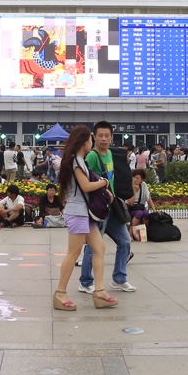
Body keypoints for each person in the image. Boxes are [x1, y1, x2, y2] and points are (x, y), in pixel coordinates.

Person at [53, 124, 117, 311]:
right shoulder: (77, 161)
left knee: (99, 247)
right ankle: (60, 293)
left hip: (84, 213)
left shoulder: (77, 160)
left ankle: (100, 292)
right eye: (91, 139)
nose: (93, 142)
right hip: (78, 212)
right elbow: (86, 186)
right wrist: (104, 182)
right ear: (83, 141)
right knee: (73, 253)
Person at [79, 121, 135, 294]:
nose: (103, 139)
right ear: (94, 137)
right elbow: (84, 180)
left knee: (125, 242)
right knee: (94, 246)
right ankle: (85, 282)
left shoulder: (110, 153)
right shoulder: (92, 156)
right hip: (99, 208)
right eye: (100, 135)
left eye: (107, 135)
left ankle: (119, 278)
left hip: (112, 207)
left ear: (111, 137)